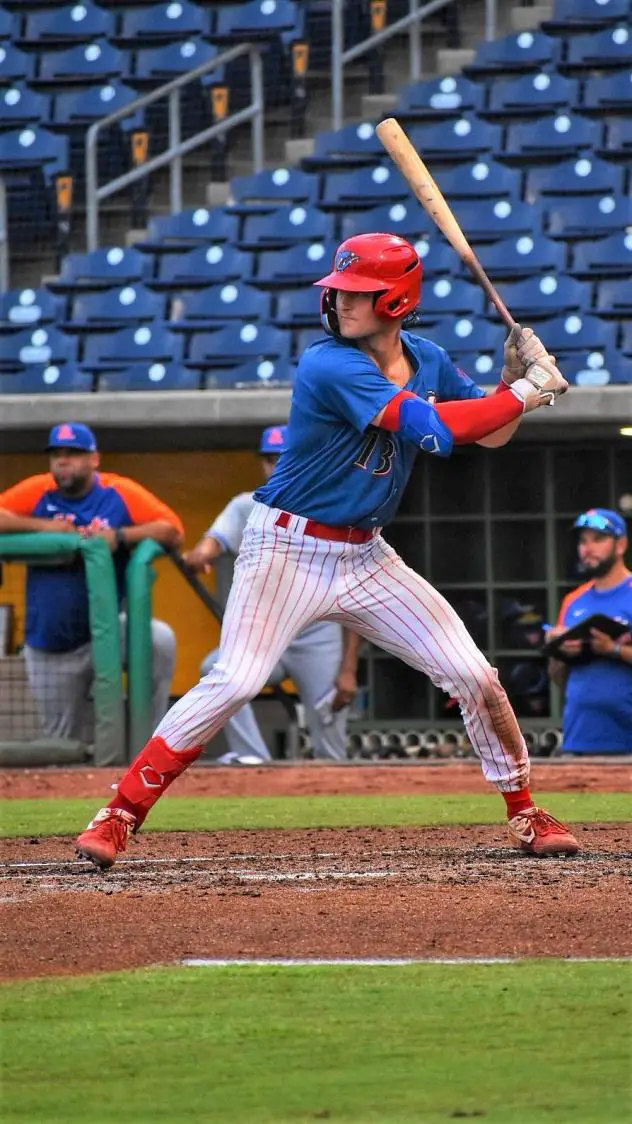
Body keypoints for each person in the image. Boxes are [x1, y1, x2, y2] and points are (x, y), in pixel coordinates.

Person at [75, 232, 579, 868]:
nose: (340, 301)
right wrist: (531, 390)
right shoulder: (328, 363)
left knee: (475, 674)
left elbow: (490, 433)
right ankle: (119, 814)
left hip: (366, 554)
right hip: (287, 546)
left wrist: (511, 384)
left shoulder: (426, 358)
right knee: (235, 681)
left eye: (358, 293)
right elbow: (435, 433)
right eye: (338, 291)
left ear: (396, 302)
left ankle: (525, 811)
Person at [183, 424, 360, 764]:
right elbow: (212, 543)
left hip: (317, 634)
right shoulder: (245, 506)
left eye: (282, 456)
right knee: (214, 669)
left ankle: (337, 805)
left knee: (331, 749)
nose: (275, 465)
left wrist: (349, 668)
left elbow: (354, 591)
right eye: (268, 459)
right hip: (265, 634)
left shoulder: (331, 505)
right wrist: (200, 554)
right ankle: (253, 759)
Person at [0, 423, 184, 740]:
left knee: (159, 639)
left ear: (94, 459)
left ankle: (151, 739)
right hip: (51, 642)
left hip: (108, 633)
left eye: (73, 453)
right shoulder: (40, 491)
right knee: (60, 743)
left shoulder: (117, 492)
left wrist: (121, 536)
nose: (63, 461)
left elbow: (172, 531)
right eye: (56, 454)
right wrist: (46, 528)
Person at [546, 508, 632, 754]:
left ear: (620, 545)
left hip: (627, 738)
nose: (587, 548)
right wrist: (558, 651)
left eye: (598, 539)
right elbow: (558, 678)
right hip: (579, 736)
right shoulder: (573, 601)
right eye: (583, 541)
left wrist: (611, 649)